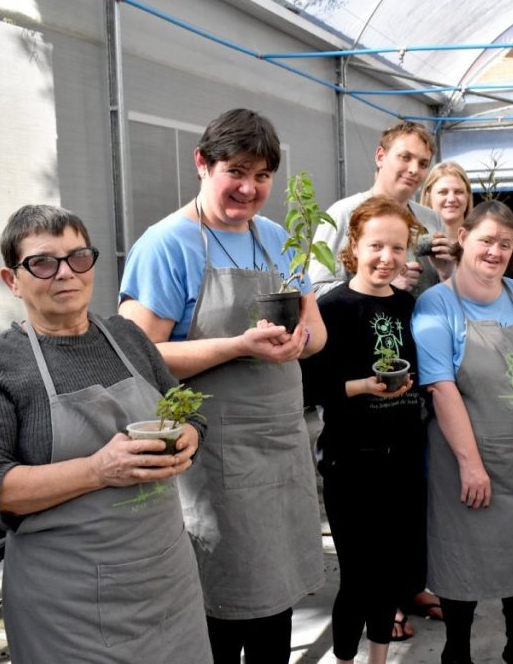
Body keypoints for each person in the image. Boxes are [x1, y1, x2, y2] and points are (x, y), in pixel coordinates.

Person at [0, 204, 211, 662]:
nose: (65, 273)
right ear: (12, 280)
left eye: (78, 257)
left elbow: (189, 413)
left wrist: (189, 435)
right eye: (43, 262)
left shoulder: (127, 338)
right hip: (69, 607)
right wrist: (97, 470)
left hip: (168, 583)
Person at [117, 109, 326, 663]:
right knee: (222, 603)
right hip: (215, 456)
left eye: (262, 177)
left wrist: (297, 340)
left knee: (276, 597)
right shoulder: (166, 245)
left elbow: (318, 334)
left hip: (281, 445)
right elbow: (141, 357)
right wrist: (237, 345)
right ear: (202, 164)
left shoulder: (278, 238)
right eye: (236, 171)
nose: (249, 188)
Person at [412, 200, 513, 664]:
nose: (495, 251)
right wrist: (470, 465)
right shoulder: (437, 304)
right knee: (465, 557)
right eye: (486, 240)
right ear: (463, 239)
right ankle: (456, 652)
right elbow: (442, 389)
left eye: (505, 244)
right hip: (471, 455)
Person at [302, 197, 426, 664]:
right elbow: (308, 386)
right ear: (354, 245)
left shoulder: (410, 307)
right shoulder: (331, 307)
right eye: (376, 245)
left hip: (406, 457)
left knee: (391, 574)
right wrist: (363, 387)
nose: (386, 257)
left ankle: (378, 658)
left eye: (397, 247)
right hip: (351, 461)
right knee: (357, 575)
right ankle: (345, 659)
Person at [308, 121, 453, 300]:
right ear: (380, 157)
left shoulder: (430, 219)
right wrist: (380, 286)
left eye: (423, 164)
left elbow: (447, 295)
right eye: (405, 157)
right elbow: (315, 290)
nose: (414, 169)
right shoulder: (343, 214)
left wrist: (446, 273)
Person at [421, 160, 473, 242]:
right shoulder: (412, 242)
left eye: (458, 192)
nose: (451, 199)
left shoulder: (480, 241)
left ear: (468, 196)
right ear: (428, 197)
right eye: (443, 192)